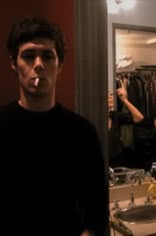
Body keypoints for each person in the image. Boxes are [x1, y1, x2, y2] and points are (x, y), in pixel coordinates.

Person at [0, 16, 108, 236]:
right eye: (29, 56)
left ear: (59, 65)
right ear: (13, 63)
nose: (38, 64)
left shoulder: (82, 132)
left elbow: (97, 208)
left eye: (47, 56)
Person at [108, 82, 144, 168]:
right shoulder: (95, 117)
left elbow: (139, 118)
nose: (111, 97)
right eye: (107, 95)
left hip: (118, 159)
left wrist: (125, 100)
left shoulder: (115, 116)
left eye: (111, 95)